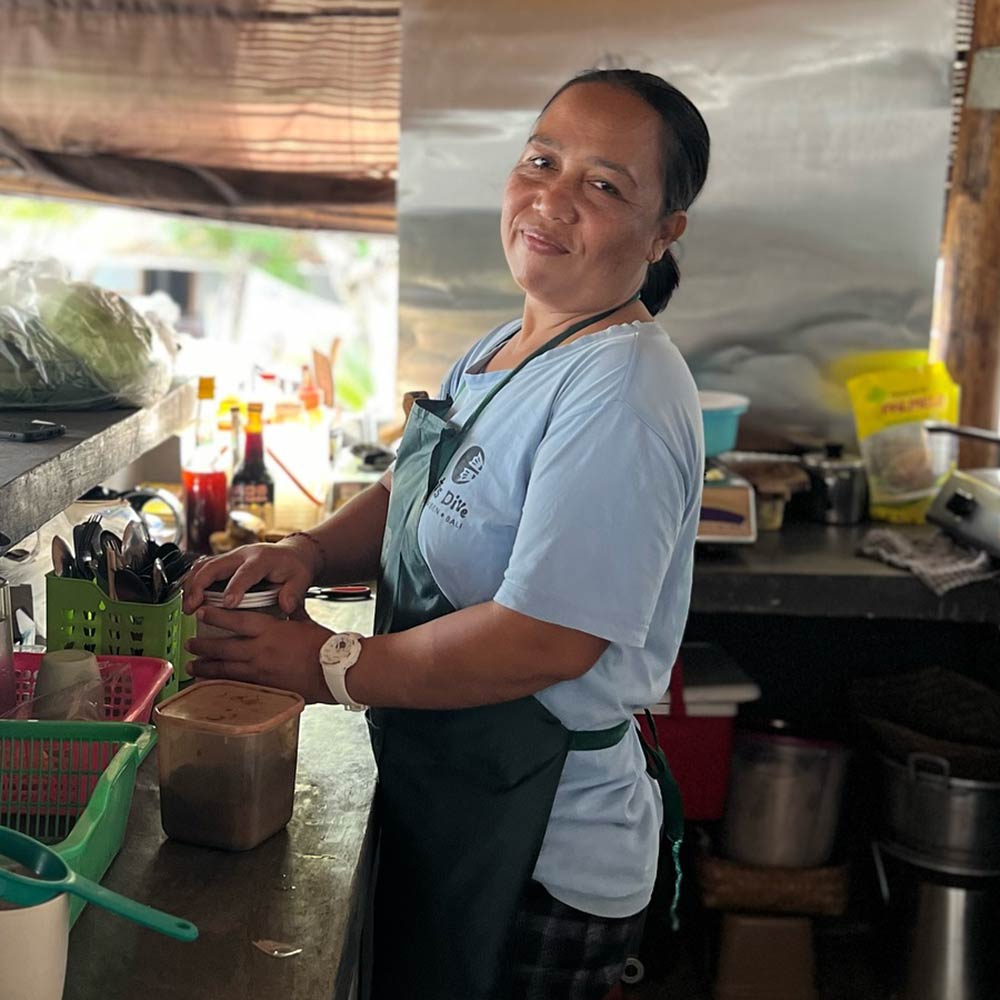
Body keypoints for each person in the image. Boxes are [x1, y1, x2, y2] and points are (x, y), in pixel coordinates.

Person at [183, 67, 710, 1000]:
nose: (550, 197)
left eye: (604, 183)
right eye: (541, 160)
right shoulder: (506, 348)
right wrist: (308, 550)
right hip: (453, 795)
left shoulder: (624, 387)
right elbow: (414, 486)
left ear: (664, 231)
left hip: (543, 852)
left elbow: (546, 636)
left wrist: (325, 664)